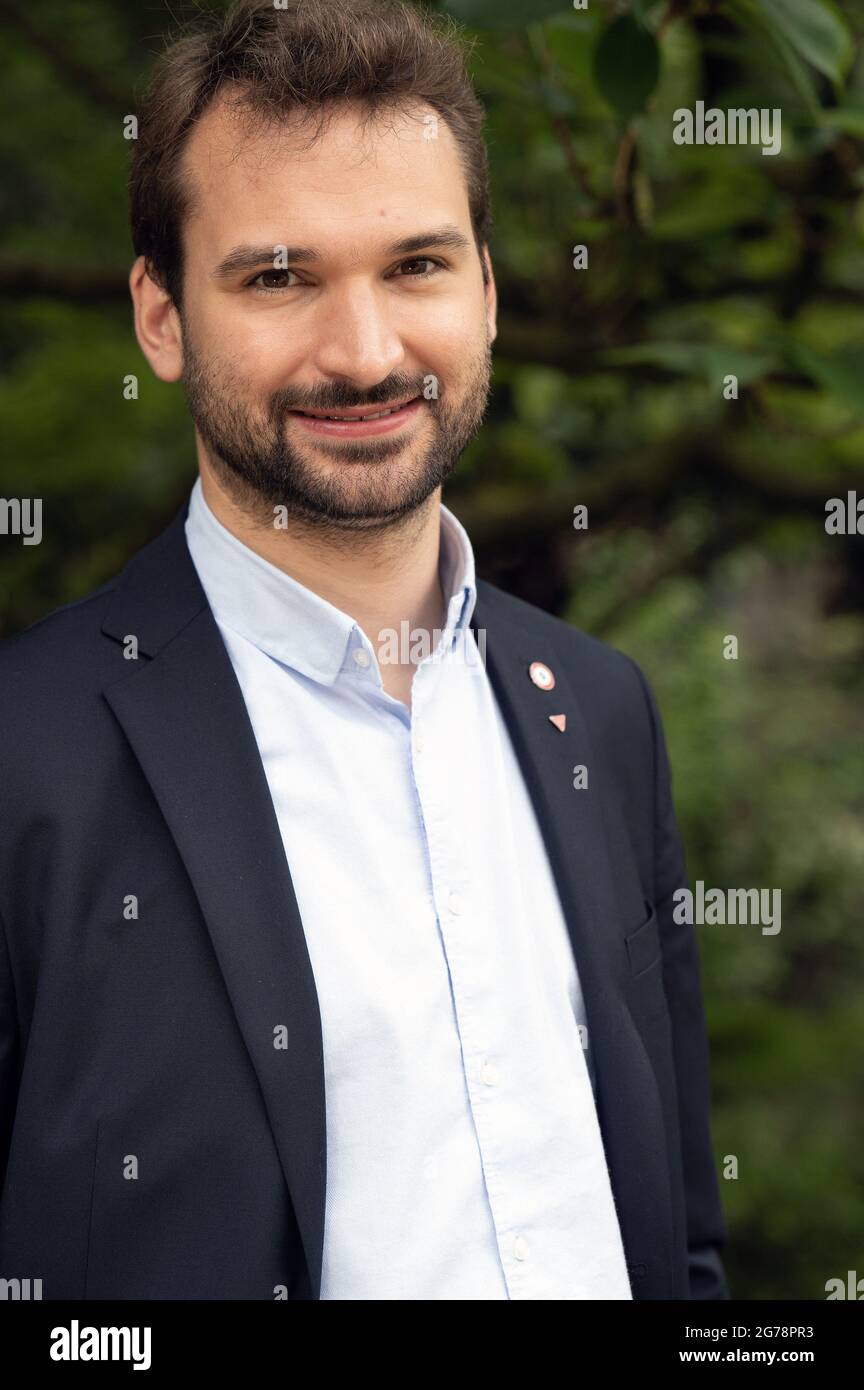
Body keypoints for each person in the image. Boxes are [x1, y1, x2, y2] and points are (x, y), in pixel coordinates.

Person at [0, 0, 729, 1300]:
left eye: (418, 265)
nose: (367, 352)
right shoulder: (24, 751)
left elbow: (676, 1237)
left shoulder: (602, 714)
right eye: (279, 276)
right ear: (161, 318)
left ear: (490, 292)